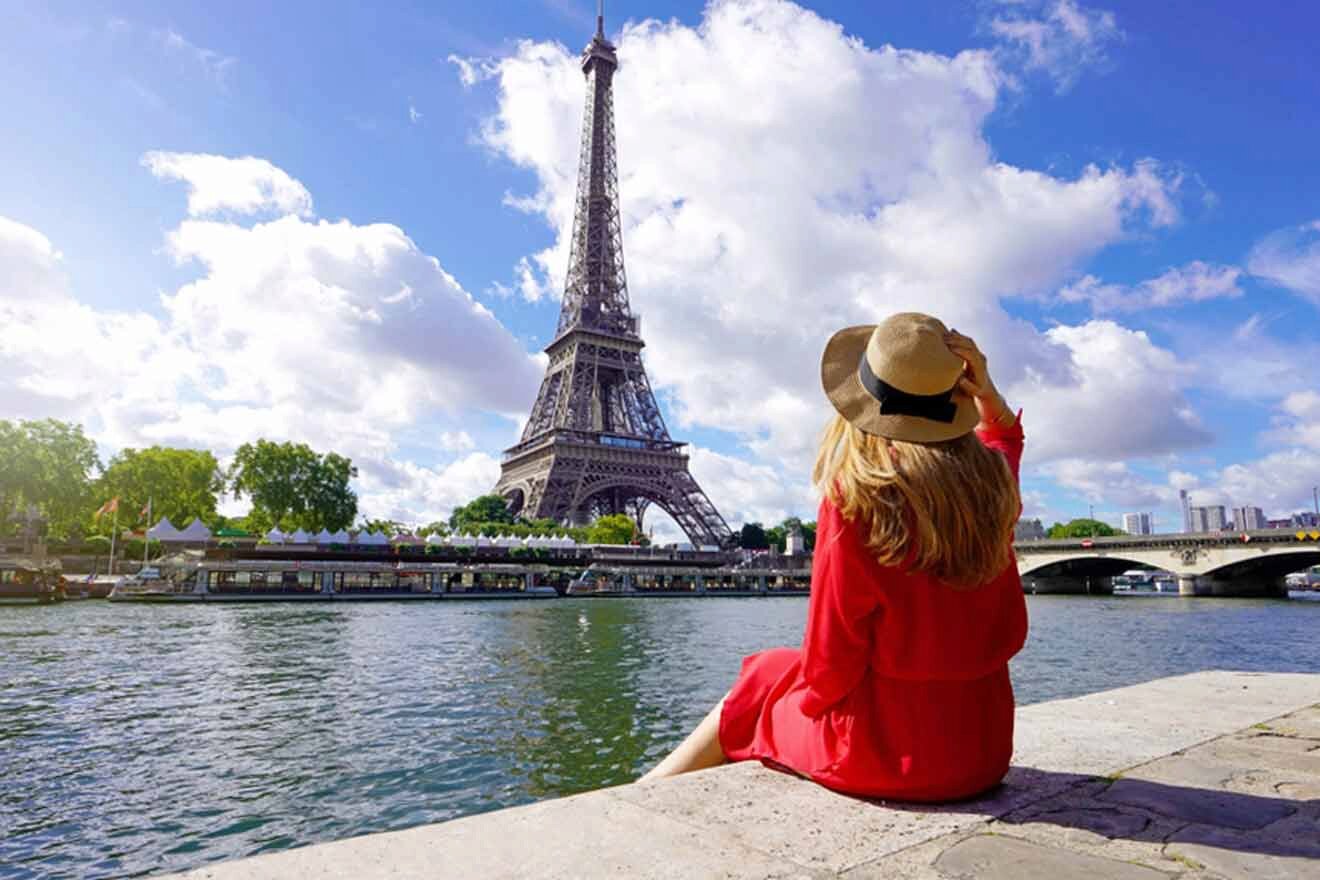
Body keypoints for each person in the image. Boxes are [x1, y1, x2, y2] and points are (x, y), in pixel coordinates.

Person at [639, 313, 1027, 802]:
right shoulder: (993, 491)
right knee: (772, 673)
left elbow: (829, 666)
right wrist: (989, 396)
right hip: (983, 753)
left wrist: (792, 698)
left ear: (865, 403)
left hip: (883, 759)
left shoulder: (858, 500)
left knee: (759, 680)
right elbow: (1004, 443)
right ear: (956, 397)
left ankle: (642, 794)